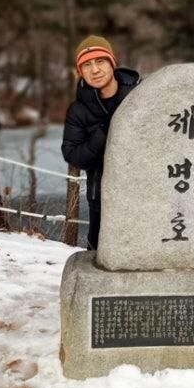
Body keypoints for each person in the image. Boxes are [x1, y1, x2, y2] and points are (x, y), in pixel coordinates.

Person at [61, 35, 140, 250]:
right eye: (87, 65)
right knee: (99, 257)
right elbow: (73, 154)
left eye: (100, 61)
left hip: (144, 195)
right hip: (101, 199)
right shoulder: (78, 110)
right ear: (80, 72)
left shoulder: (140, 97)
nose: (95, 70)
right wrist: (103, 131)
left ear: (112, 63)